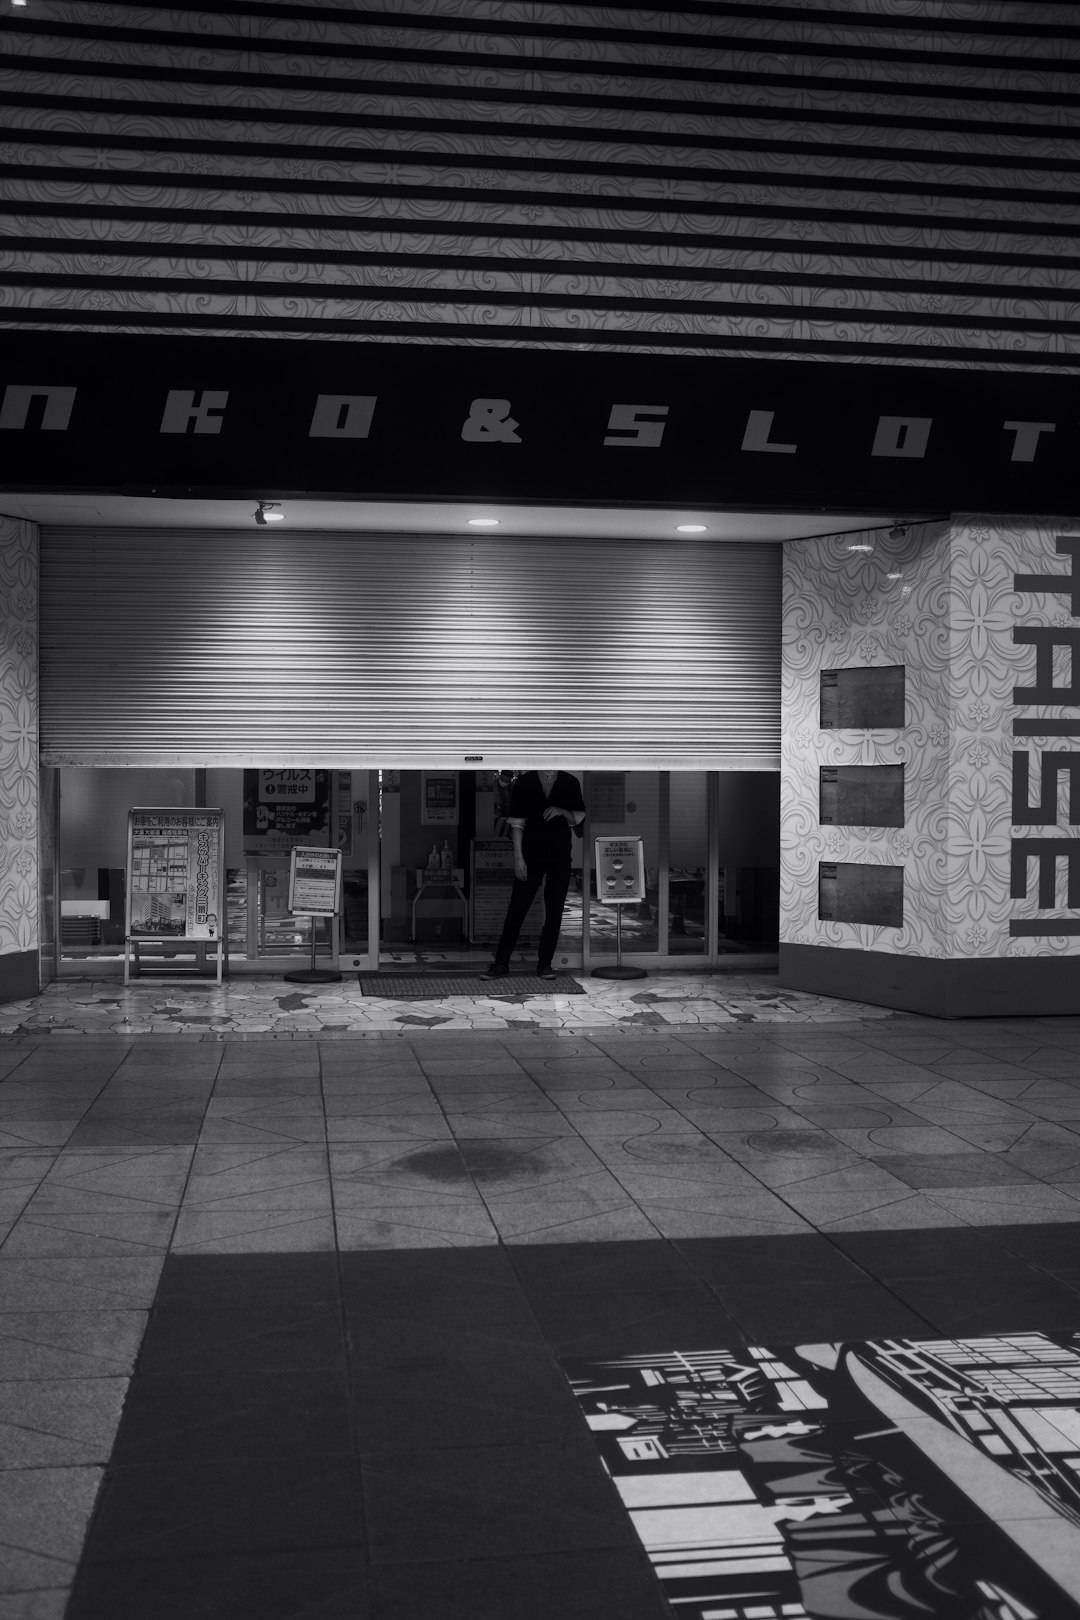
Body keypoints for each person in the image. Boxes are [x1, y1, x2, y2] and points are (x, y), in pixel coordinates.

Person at [485, 768, 585, 980]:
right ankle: (501, 963)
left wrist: (561, 810)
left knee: (555, 911)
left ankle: (545, 964)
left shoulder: (570, 782)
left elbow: (577, 818)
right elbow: (517, 822)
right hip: (531, 855)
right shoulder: (524, 781)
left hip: (560, 857)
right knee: (517, 909)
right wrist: (518, 857)